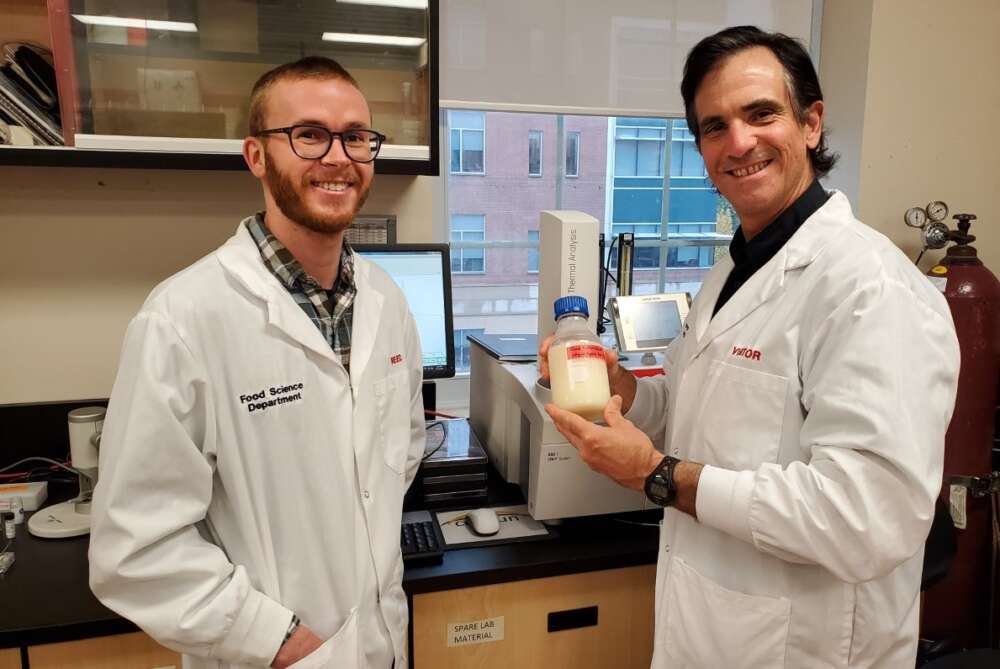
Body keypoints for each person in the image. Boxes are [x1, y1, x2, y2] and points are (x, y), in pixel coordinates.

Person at [542, 26, 960, 668]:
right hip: (711, 631)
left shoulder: (870, 288)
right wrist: (621, 386)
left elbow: (867, 518)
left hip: (805, 647)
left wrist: (654, 476)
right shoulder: (732, 270)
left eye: (761, 113)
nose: (738, 143)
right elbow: (695, 405)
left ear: (812, 123)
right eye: (714, 126)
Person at [89, 57, 425, 669]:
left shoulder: (388, 300)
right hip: (270, 657)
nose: (338, 156)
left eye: (356, 136)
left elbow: (396, 456)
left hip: (383, 642)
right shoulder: (183, 318)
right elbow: (134, 550)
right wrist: (284, 643)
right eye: (309, 134)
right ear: (255, 155)